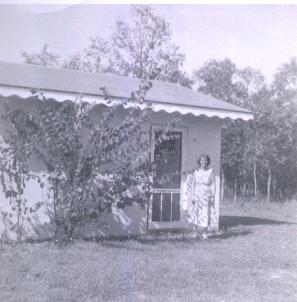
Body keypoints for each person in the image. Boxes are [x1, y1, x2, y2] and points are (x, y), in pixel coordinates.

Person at [187, 154, 216, 239]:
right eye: (202, 160)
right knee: (195, 212)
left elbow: (213, 184)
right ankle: (195, 232)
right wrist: (192, 196)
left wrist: (213, 196)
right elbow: (193, 184)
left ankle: (204, 233)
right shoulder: (196, 171)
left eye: (205, 160)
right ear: (200, 161)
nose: (204, 162)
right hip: (197, 194)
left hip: (206, 194)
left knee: (205, 213)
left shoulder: (210, 171)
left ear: (208, 162)